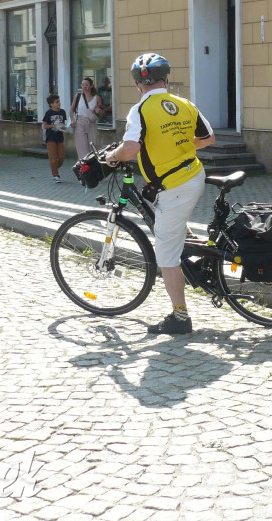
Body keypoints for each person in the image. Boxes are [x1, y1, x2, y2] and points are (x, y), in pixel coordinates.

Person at [106, 53, 215, 335]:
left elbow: (130, 150)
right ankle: (194, 257)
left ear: (137, 85)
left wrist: (113, 156)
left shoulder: (139, 110)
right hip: (194, 174)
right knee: (174, 225)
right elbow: (208, 138)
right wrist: (179, 143)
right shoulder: (184, 103)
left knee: (166, 255)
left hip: (175, 186)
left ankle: (180, 317)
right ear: (166, 79)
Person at [71, 77, 103, 157]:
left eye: (86, 85)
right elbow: (71, 110)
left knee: (92, 146)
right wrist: (72, 120)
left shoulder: (96, 97)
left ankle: (92, 166)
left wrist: (98, 111)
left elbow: (101, 113)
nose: (84, 87)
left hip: (91, 122)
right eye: (83, 85)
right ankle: (83, 166)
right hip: (80, 122)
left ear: (91, 86)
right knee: (81, 147)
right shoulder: (78, 96)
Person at [41, 94, 69, 182]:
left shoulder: (62, 112)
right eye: (57, 102)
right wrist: (54, 125)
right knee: (53, 157)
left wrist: (64, 127)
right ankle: (56, 175)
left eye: (59, 101)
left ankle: (54, 167)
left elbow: (64, 123)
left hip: (60, 136)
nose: (59, 103)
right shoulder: (49, 113)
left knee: (61, 156)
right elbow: (44, 125)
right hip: (51, 137)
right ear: (51, 104)